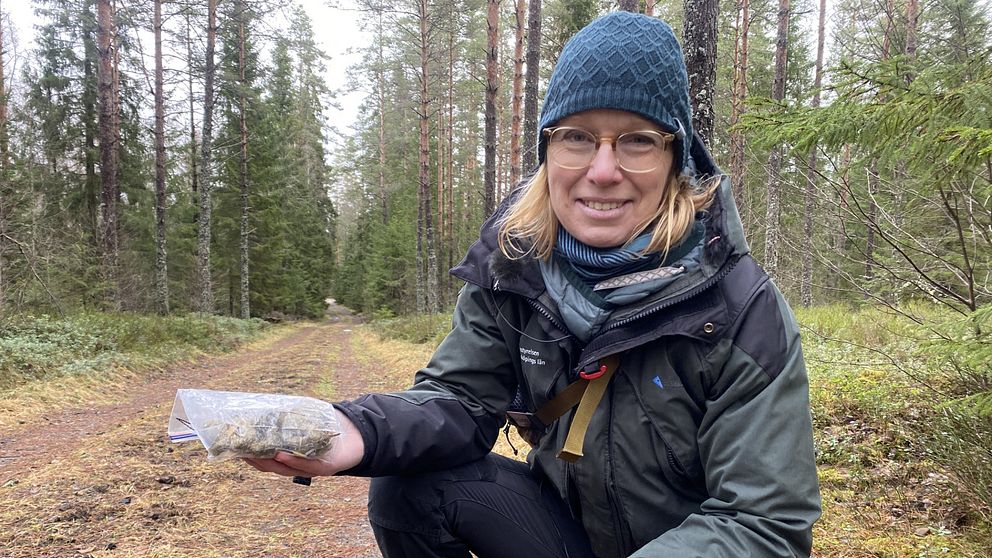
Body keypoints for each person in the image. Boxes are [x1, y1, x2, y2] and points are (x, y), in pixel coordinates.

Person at [246, 11, 821, 558]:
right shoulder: (515, 270)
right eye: (577, 137)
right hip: (566, 534)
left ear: (677, 160)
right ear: (548, 151)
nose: (602, 170)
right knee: (410, 488)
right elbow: (460, 402)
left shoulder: (741, 309)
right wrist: (356, 431)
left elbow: (762, 523)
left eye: (638, 141)